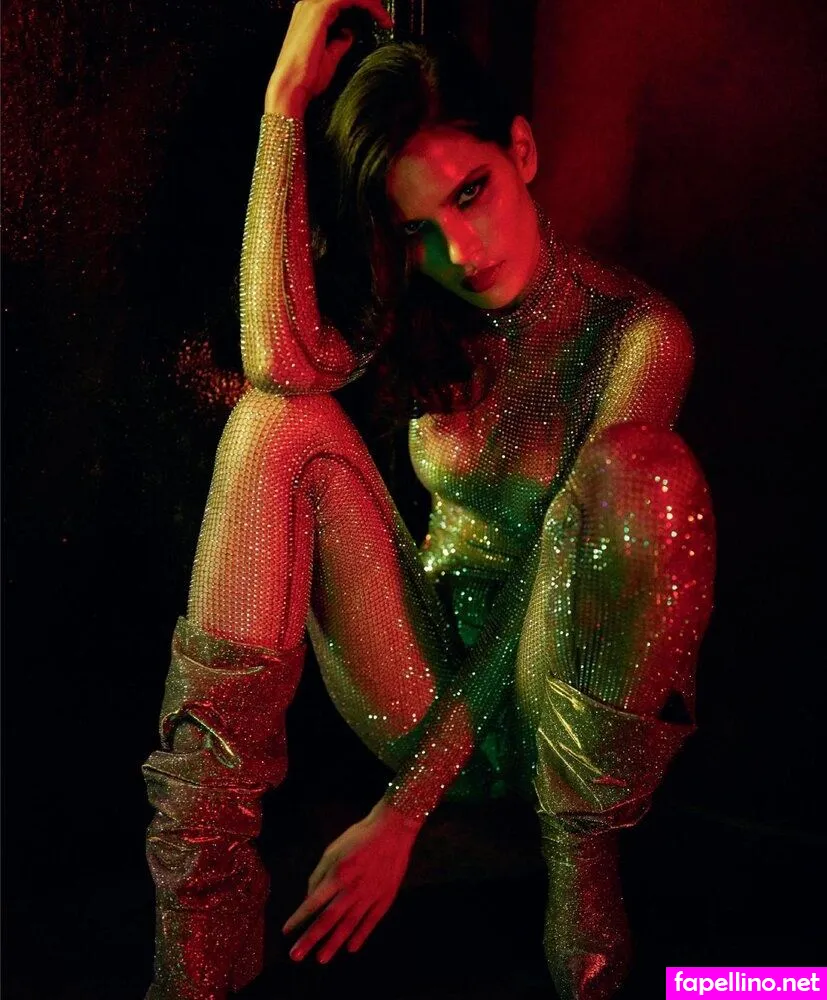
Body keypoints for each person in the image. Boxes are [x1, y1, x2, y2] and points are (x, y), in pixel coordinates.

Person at [141, 1, 716, 997]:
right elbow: (275, 364)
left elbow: (554, 570)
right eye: (418, 228)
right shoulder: (426, 304)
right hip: (418, 683)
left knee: (638, 471)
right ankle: (199, 926)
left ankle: (579, 863)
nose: (459, 249)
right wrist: (284, 103)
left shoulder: (637, 335)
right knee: (272, 422)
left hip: (560, 714)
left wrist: (401, 813)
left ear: (520, 151)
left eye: (470, 193)